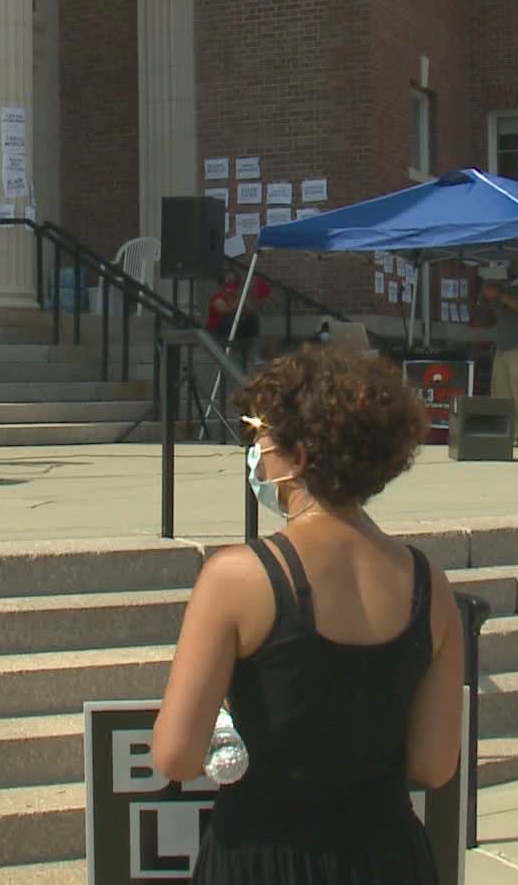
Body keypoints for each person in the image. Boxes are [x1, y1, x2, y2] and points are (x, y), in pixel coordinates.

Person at [152, 347, 463, 883]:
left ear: (298, 455)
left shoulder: (237, 577)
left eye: (261, 437)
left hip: (263, 854)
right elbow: (434, 764)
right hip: (389, 855)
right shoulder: (429, 583)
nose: (254, 452)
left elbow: (176, 756)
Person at [479, 254, 518, 447]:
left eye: (514, 265)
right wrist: (484, 296)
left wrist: (500, 295)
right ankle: (501, 430)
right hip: (503, 348)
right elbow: (491, 318)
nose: (510, 268)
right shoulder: (504, 288)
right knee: (500, 391)